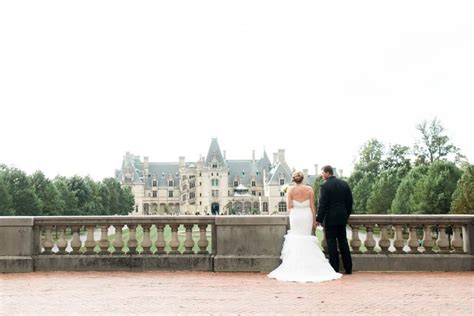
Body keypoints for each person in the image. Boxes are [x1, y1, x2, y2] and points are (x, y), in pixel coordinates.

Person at [268, 170, 342, 283]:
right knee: (306, 238)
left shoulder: (290, 190)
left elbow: (289, 206)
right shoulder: (309, 189)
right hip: (307, 216)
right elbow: (313, 207)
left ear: (294, 179)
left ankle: (295, 267)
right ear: (303, 179)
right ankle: (311, 266)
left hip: (296, 216)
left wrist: (288, 194)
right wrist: (314, 220)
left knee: (297, 238)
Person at [316, 165, 353, 274]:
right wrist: (346, 215)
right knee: (343, 242)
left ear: (328, 173)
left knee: (331, 243)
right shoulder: (344, 184)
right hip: (342, 218)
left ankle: (334, 268)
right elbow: (349, 203)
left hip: (330, 219)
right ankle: (348, 268)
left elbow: (322, 205)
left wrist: (319, 219)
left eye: (322, 172)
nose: (321, 175)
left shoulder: (324, 186)